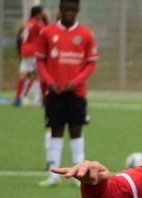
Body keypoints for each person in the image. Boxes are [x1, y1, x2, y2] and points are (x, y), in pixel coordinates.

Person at [36, 0, 97, 187]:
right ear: (60, 10)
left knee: (76, 131)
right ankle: (53, 175)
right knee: (55, 130)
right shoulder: (47, 32)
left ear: (77, 11)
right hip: (55, 92)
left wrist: (75, 82)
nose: (69, 13)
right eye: (66, 9)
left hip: (76, 92)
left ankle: (79, 176)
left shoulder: (86, 34)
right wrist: (50, 81)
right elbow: (40, 61)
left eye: (73, 10)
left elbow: (91, 63)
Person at [13, 5, 46, 107]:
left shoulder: (26, 23)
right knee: (39, 75)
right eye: (41, 14)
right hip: (34, 52)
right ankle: (41, 100)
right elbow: (47, 31)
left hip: (24, 51)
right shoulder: (37, 24)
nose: (42, 16)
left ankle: (17, 98)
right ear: (37, 14)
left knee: (24, 74)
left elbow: (20, 36)